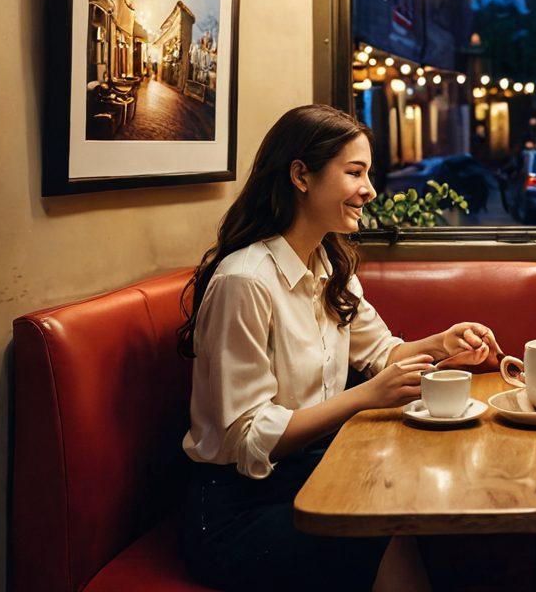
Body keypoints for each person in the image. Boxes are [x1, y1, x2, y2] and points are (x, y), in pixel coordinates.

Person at [177, 104, 501, 591]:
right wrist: (366, 397)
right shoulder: (244, 281)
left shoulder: (330, 266)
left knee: (396, 505)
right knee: (384, 514)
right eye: (355, 173)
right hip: (238, 509)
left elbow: (381, 352)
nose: (369, 189)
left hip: (311, 473)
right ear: (300, 176)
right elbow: (247, 439)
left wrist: (443, 343)